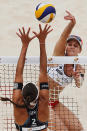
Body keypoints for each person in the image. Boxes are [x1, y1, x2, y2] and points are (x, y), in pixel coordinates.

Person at [0, 24, 53, 131]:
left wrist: (25, 45)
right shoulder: (43, 103)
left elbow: (18, 74)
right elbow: (43, 71)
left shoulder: (18, 104)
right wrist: (41, 42)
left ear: (22, 97)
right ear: (38, 96)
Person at [47, 11, 85, 131]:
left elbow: (79, 84)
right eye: (69, 44)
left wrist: (77, 77)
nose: (72, 46)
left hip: (54, 102)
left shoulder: (79, 67)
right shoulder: (58, 56)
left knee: (78, 128)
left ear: (79, 50)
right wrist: (71, 24)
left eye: (75, 45)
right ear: (65, 46)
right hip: (40, 102)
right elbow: (63, 37)